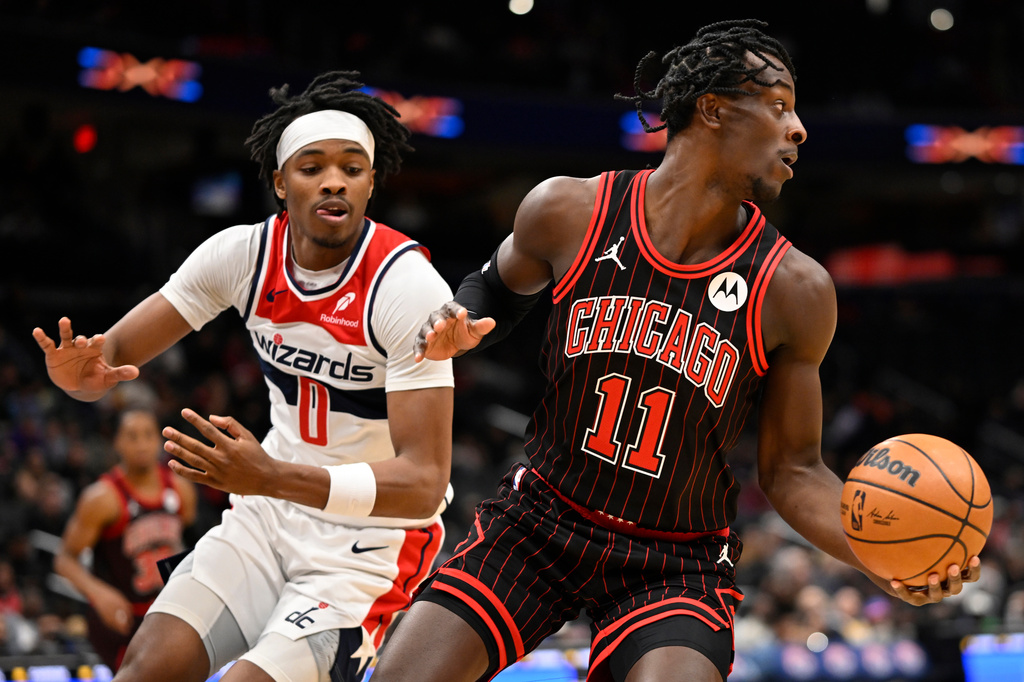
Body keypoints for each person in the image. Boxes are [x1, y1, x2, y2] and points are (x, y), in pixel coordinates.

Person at [369, 19, 982, 682]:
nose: (799, 128)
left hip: (675, 564)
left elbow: (794, 472)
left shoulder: (794, 289)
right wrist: (460, 321)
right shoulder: (569, 209)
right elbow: (490, 291)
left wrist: (882, 554)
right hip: (538, 524)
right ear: (713, 109)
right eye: (779, 107)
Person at [32, 70, 455, 682]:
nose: (333, 179)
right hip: (267, 514)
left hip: (368, 546)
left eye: (351, 167)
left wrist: (273, 475)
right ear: (280, 182)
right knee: (143, 669)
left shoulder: (407, 286)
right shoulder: (241, 255)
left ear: (371, 183)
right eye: (311, 167)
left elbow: (423, 482)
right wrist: (78, 380)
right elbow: (107, 360)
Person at [54, 407, 197, 671]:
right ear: (117, 442)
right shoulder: (102, 497)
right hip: (121, 618)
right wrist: (98, 593)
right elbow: (64, 559)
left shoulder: (181, 488)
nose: (141, 444)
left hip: (166, 613)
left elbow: (182, 539)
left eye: (147, 435)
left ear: (159, 439)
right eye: (132, 436)